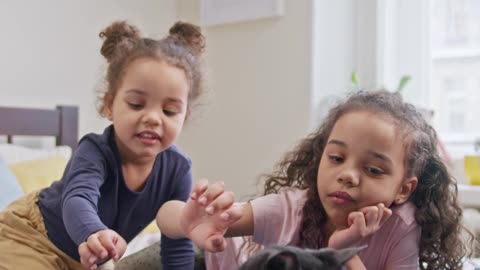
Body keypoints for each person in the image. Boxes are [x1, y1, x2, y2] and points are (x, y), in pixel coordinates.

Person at [0, 20, 239, 270]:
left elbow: (176, 243)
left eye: (169, 111)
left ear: (185, 116)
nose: (153, 118)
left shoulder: (177, 171)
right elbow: (78, 198)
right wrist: (92, 232)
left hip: (85, 258)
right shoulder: (95, 150)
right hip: (31, 236)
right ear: (109, 104)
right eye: (136, 104)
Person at [180, 90, 472, 270]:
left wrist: (341, 251)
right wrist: (186, 221)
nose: (347, 174)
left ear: (403, 189)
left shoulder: (401, 227)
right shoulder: (289, 210)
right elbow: (178, 219)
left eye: (373, 170)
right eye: (336, 158)